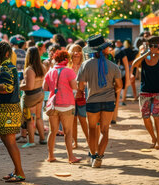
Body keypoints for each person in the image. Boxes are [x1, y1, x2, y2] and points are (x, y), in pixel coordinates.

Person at [77, 35, 122, 168]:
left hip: (92, 101)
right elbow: (119, 86)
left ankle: (93, 155)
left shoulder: (86, 65)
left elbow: (80, 86)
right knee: (105, 131)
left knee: (92, 129)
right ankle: (100, 157)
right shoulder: (113, 66)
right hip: (108, 101)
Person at [0, 41, 26, 182]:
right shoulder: (8, 68)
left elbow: (7, 88)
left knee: (10, 141)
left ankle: (20, 173)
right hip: (7, 108)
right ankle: (17, 170)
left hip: (8, 109)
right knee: (7, 140)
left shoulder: (5, 69)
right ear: (7, 54)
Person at [130, 35, 159, 150]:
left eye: (156, 45)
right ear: (148, 46)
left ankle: (158, 140)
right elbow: (134, 64)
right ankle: (153, 138)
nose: (153, 48)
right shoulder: (144, 58)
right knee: (145, 116)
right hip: (145, 91)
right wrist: (145, 54)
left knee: (156, 114)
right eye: (151, 46)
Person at [43, 50, 82, 164]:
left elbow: (45, 88)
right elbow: (74, 87)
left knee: (52, 131)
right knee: (68, 132)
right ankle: (71, 157)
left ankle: (50, 156)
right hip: (66, 104)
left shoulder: (50, 72)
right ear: (66, 60)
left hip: (52, 104)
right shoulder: (69, 71)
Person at [20, 47, 47, 148]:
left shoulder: (30, 69)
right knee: (38, 117)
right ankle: (42, 138)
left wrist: (19, 86)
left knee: (30, 119)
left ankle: (31, 141)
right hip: (40, 93)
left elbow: (29, 86)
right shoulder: (42, 66)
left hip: (31, 96)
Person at [68, 43, 88, 149]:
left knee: (83, 119)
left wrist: (81, 88)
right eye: (74, 50)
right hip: (70, 97)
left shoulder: (84, 65)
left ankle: (89, 140)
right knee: (73, 120)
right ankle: (75, 142)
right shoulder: (67, 66)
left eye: (78, 50)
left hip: (82, 95)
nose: (76, 53)